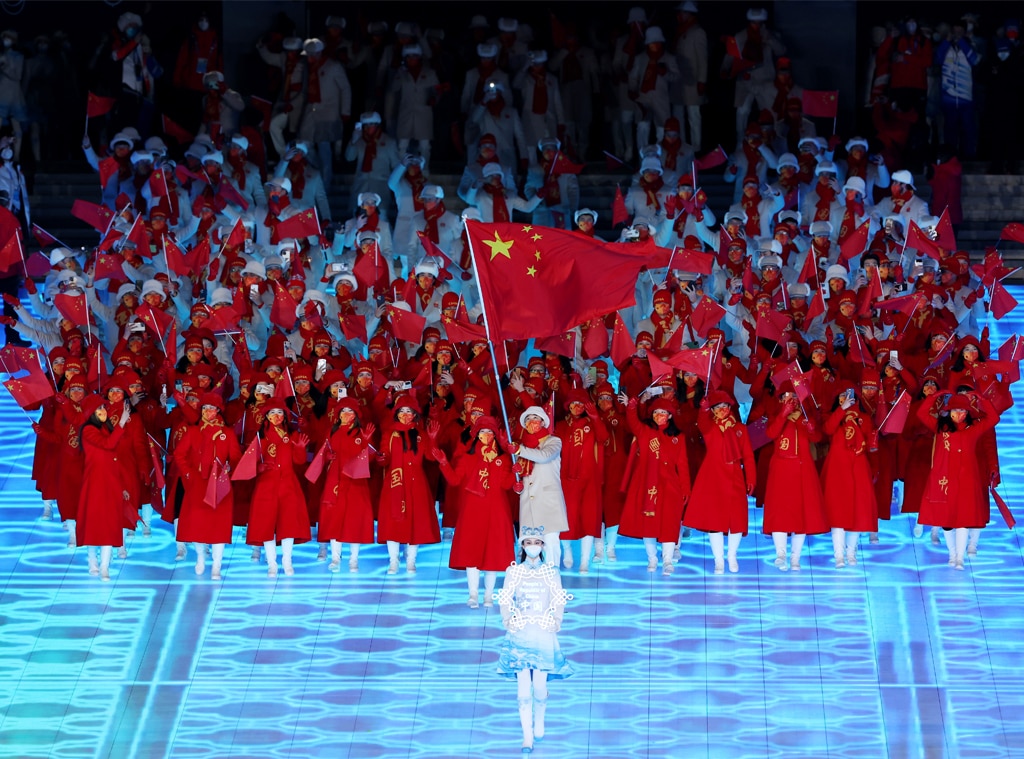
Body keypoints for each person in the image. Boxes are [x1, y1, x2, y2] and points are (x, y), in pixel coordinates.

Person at [496, 526, 573, 754]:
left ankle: (539, 722)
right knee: (522, 689)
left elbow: (558, 598)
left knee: (539, 686)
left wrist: (556, 620)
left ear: (542, 545)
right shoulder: (514, 572)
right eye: (528, 543)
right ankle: (526, 737)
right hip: (520, 631)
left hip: (542, 631)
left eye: (536, 542)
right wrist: (507, 619)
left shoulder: (550, 572)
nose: (532, 547)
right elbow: (505, 597)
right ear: (522, 546)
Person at [431, 414, 516, 607]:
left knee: (492, 554)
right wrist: (444, 463)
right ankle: (472, 595)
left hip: (496, 510)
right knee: (472, 552)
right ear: (476, 435)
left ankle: (488, 595)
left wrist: (515, 470)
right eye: (482, 431)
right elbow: (454, 480)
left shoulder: (503, 459)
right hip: (472, 511)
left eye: (490, 432)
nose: (486, 435)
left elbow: (507, 484)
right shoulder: (467, 459)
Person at [915, 392, 1000, 569]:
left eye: (962, 410)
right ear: (949, 410)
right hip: (944, 480)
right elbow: (921, 414)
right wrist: (934, 397)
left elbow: (993, 418)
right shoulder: (940, 427)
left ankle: (960, 558)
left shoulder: (974, 428)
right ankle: (952, 553)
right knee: (946, 520)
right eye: (955, 409)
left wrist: (981, 398)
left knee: (964, 519)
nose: (959, 413)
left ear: (968, 412)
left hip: (968, 480)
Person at [683, 391, 756, 574]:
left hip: (735, 477)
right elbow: (701, 422)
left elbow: (747, 455)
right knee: (715, 520)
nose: (722, 410)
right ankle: (718, 560)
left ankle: (732, 556)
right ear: (713, 411)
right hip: (713, 477)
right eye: (718, 408)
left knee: (737, 519)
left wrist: (751, 478)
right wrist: (704, 408)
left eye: (725, 407)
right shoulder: (710, 427)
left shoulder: (740, 428)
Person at [618, 394, 691, 575]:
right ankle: (652, 558)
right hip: (646, 483)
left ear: (670, 415)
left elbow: (682, 464)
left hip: (670, 486)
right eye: (656, 412)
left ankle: (667, 560)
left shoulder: (678, 437)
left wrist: (685, 488)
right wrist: (632, 406)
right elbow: (633, 422)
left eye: (663, 412)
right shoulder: (645, 431)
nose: (659, 415)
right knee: (647, 524)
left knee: (669, 523)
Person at [174, 393, 241, 579]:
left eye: (211, 408)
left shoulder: (226, 433)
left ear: (218, 410)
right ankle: (201, 557)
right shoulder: (194, 431)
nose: (207, 412)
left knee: (219, 525)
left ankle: (217, 566)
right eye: (204, 408)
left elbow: (235, 457)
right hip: (198, 483)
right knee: (197, 523)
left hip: (220, 485)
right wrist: (188, 473)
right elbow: (179, 454)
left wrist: (229, 468)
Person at [245, 404, 312, 577]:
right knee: (267, 524)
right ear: (266, 416)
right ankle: (272, 563)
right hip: (266, 485)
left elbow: (299, 461)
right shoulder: (260, 437)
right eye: (272, 412)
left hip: (289, 484)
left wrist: (299, 448)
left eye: (280, 412)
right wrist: (259, 467)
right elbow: (250, 462)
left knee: (288, 523)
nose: (276, 416)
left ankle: (287, 561)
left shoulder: (292, 435)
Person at [500, 405, 568, 567]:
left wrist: (518, 450)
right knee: (530, 547)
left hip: (548, 502)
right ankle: (533, 581)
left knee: (551, 544)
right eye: (528, 419)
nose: (532, 422)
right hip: (528, 503)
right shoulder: (520, 447)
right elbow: (521, 473)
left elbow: (543, 456)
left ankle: (553, 579)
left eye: (535, 418)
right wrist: (517, 486)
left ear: (543, 422)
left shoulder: (553, 441)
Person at [75, 395, 132, 581]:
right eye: (98, 409)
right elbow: (108, 446)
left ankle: (105, 566)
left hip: (111, 484)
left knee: (109, 525)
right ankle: (93, 561)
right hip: (95, 485)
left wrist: (122, 485)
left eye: (104, 408)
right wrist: (122, 423)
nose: (103, 411)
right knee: (94, 525)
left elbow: (116, 460)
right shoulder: (89, 431)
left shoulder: (107, 429)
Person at [318, 397, 376, 572]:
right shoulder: (331, 432)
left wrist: (366, 441)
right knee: (334, 519)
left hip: (356, 482)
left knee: (355, 520)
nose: (346, 415)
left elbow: (371, 457)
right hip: (335, 481)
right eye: (343, 411)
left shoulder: (361, 432)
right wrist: (327, 457)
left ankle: (354, 559)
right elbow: (324, 452)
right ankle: (336, 558)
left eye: (350, 411)